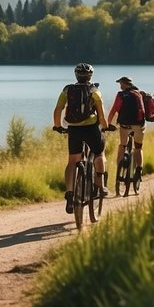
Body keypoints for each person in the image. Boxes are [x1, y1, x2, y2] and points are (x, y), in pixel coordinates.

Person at [52, 62, 109, 213]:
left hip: (73, 130)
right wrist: (105, 126)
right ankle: (101, 185)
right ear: (91, 76)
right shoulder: (95, 91)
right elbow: (102, 116)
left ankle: (70, 194)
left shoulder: (67, 90)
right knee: (99, 153)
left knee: (72, 162)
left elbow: (58, 109)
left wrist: (58, 126)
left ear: (76, 75)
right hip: (91, 129)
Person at [108, 75, 145, 185]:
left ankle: (119, 170)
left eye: (120, 83)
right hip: (139, 125)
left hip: (125, 125)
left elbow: (114, 110)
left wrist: (108, 124)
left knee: (122, 145)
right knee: (138, 148)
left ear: (124, 84)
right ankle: (139, 170)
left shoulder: (121, 95)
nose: (120, 85)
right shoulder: (139, 93)